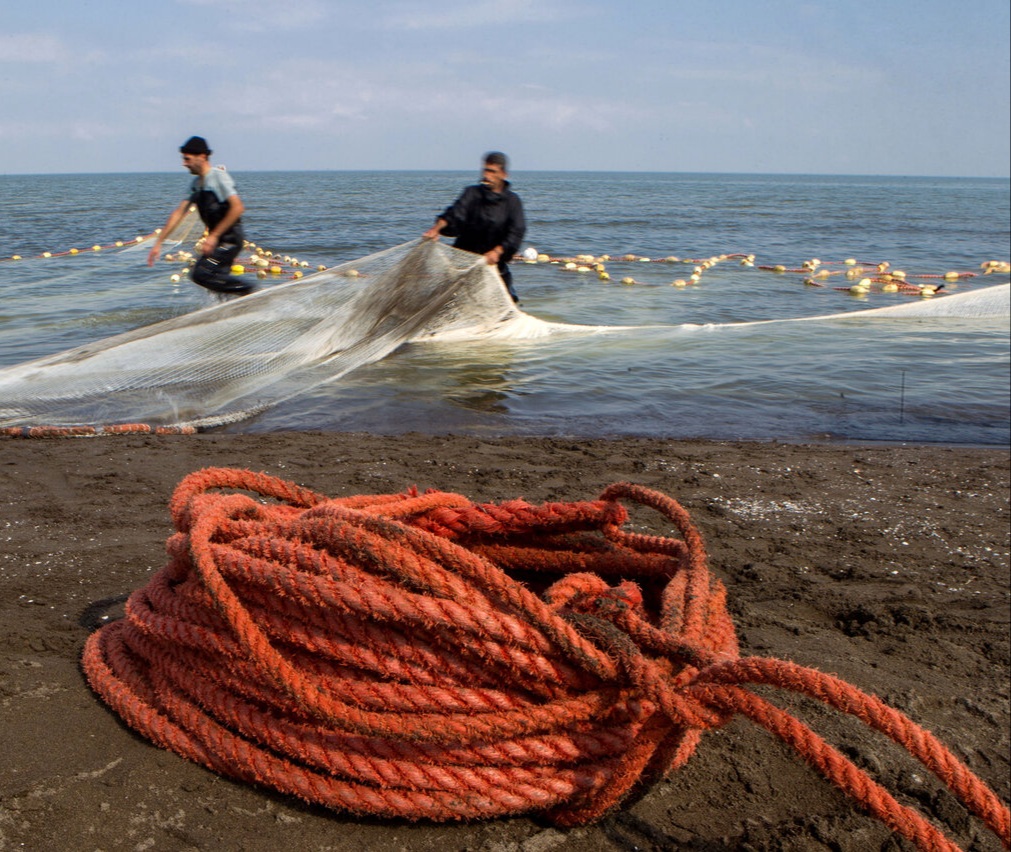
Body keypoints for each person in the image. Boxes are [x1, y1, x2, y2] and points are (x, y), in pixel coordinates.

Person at [147, 136, 253, 295]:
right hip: (217, 241)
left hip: (230, 240)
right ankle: (232, 308)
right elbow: (179, 213)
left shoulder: (218, 177)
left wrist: (214, 236)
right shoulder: (196, 184)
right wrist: (159, 242)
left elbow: (238, 208)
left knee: (201, 273)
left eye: (187, 159)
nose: (184, 163)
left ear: (202, 157)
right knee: (216, 283)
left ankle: (251, 293)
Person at [423, 152, 526, 302]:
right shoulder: (472, 194)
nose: (487, 175)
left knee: (506, 302)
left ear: (503, 174)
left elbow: (517, 231)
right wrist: (436, 229)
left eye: (492, 171)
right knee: (448, 302)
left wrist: (498, 251)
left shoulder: (512, 202)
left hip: (493, 266)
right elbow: (455, 213)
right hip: (463, 263)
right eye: (485, 170)